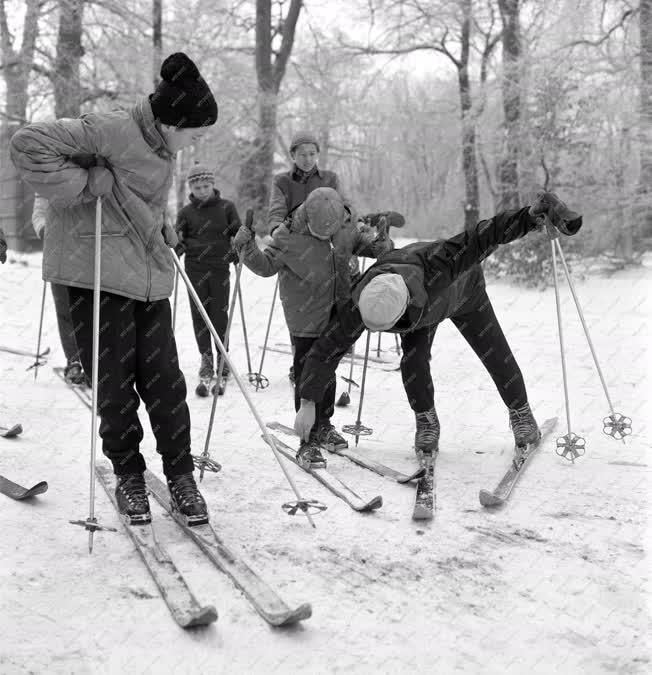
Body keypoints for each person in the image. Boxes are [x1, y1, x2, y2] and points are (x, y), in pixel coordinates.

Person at [10, 52, 218, 527]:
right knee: (116, 387)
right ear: (171, 122)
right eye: (195, 130)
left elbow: (138, 193)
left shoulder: (163, 148)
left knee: (166, 381)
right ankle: (128, 473)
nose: (197, 140)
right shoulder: (109, 128)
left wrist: (162, 222)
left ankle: (181, 473)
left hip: (145, 275)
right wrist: (87, 182)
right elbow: (27, 145)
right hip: (94, 273)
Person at [293, 191, 583, 465]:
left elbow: (485, 235)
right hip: (418, 312)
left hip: (464, 293)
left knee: (494, 352)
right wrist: (308, 402)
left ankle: (521, 415)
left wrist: (530, 218)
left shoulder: (440, 264)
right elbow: (326, 350)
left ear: (402, 309)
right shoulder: (365, 299)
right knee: (414, 361)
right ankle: (426, 420)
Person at [233, 187, 396, 468]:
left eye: (330, 233)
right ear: (307, 218)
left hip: (337, 308)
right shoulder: (287, 237)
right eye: (321, 233)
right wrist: (246, 248)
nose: (327, 238)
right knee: (307, 372)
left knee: (328, 367)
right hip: (304, 315)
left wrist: (381, 244)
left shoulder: (345, 227)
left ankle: (324, 423)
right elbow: (265, 266)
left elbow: (366, 245)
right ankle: (306, 441)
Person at [268, 130, 355, 385]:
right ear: (292, 155)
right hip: (298, 252)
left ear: (318, 154)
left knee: (334, 307)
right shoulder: (283, 182)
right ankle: (300, 363)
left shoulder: (330, 178)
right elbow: (275, 212)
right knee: (301, 311)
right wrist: (278, 232)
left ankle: (327, 364)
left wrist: (347, 222)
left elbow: (346, 207)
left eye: (312, 154)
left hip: (329, 250)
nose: (307, 159)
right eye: (302, 154)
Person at [175, 163, 241, 396]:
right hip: (194, 267)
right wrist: (176, 248)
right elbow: (178, 237)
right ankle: (206, 357)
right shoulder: (186, 212)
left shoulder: (226, 208)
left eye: (205, 186)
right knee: (200, 313)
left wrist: (238, 250)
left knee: (219, 313)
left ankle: (222, 356)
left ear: (213, 185)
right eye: (197, 187)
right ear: (191, 188)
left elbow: (239, 233)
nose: (202, 191)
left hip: (219, 266)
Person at [32, 195, 87, 385]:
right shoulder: (46, 183)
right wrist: (45, 229)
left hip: (85, 257)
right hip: (58, 258)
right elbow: (38, 215)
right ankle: (74, 361)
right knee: (65, 312)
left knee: (89, 312)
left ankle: (93, 363)